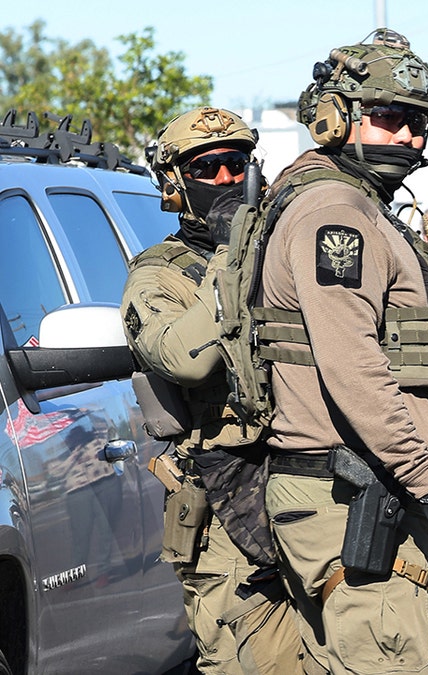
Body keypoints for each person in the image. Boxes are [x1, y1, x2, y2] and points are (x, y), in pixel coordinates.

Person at [259, 29, 428, 674]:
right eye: (390, 118)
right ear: (335, 118)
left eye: (419, 123)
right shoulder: (337, 213)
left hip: (357, 488)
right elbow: (351, 361)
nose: (410, 138)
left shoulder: (359, 205)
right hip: (352, 497)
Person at [121, 106, 303, 674]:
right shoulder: (159, 274)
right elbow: (186, 358)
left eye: (237, 164)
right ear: (175, 182)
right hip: (229, 499)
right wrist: (232, 253)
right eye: (209, 167)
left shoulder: (286, 252)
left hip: (314, 482)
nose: (227, 179)